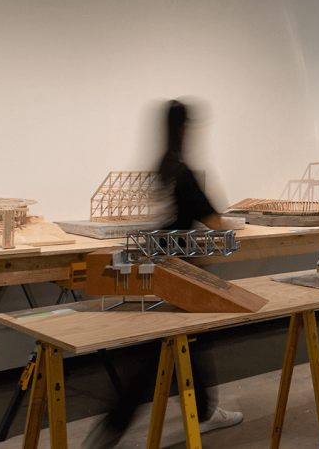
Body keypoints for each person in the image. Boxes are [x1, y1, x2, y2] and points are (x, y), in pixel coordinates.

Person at [83, 100, 243, 448]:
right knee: (158, 356)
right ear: (185, 129)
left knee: (189, 343)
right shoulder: (185, 172)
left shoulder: (163, 166)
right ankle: (112, 428)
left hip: (164, 267)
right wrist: (239, 223)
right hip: (184, 273)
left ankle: (204, 411)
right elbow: (215, 222)